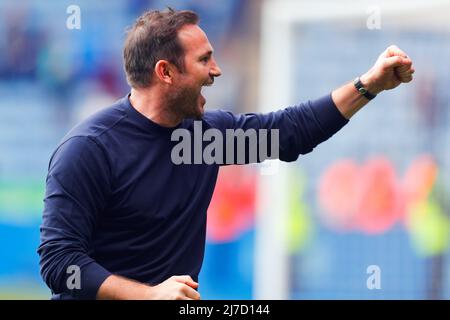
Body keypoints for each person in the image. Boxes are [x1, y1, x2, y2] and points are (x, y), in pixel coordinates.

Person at [37, 8, 414, 300]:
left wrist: (369, 85)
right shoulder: (89, 149)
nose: (216, 70)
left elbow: (291, 133)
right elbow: (59, 261)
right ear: (165, 72)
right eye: (204, 60)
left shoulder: (206, 138)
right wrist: (147, 294)